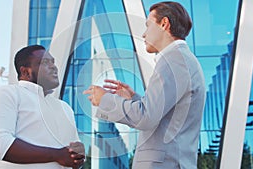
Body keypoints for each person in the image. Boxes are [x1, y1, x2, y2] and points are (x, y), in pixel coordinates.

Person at [83, 1, 205, 169]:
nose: (144, 34)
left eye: (148, 25)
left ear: (164, 23)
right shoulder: (180, 60)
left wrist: (105, 99)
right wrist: (133, 99)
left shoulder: (174, 60)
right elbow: (164, 115)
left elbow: (146, 117)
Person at [0, 45, 85, 169]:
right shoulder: (7, 94)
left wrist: (77, 155)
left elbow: (69, 157)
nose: (53, 67)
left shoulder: (65, 108)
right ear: (26, 71)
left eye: (53, 62)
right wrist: (57, 155)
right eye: (45, 62)